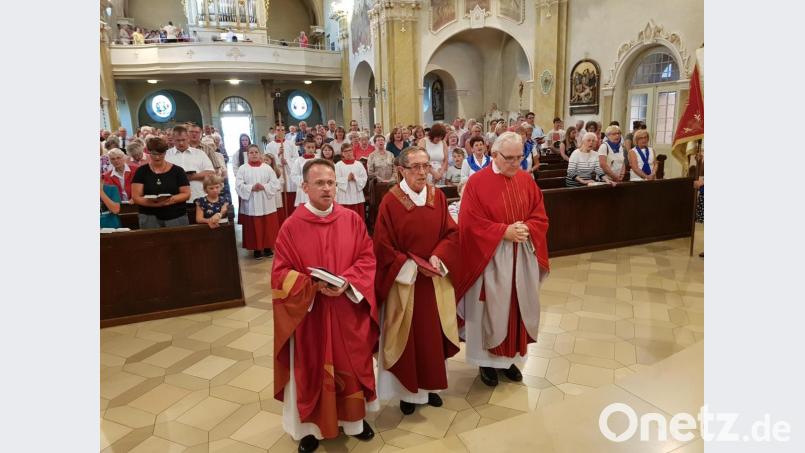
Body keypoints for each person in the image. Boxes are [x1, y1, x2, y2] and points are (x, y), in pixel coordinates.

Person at [271, 158, 378, 453]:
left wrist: (347, 282)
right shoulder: (291, 227)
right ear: (304, 187)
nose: (327, 189)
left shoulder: (352, 220)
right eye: (319, 183)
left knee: (351, 363)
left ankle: (354, 421)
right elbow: (280, 274)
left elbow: (367, 258)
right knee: (311, 368)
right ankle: (309, 428)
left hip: (346, 309)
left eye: (331, 182)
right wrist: (311, 285)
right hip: (310, 314)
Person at [455, 131, 549, 388]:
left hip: (522, 256)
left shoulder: (526, 180)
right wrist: (502, 232)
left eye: (520, 157)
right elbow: (468, 223)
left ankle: (511, 362)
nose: (516, 163)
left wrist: (528, 228)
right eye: (509, 158)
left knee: (518, 308)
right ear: (494, 155)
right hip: (490, 259)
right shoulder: (477, 183)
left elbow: (540, 215)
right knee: (490, 311)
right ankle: (486, 363)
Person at [372, 147, 461, 415]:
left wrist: (438, 258)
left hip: (433, 280)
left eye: (426, 166)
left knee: (432, 336)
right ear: (402, 170)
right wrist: (412, 266)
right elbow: (383, 246)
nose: (423, 172)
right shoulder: (391, 201)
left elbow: (451, 234)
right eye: (415, 167)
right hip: (406, 282)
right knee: (409, 338)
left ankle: (431, 387)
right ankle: (408, 393)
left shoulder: (438, 196)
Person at [131, 137, 192, 229]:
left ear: (165, 152)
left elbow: (186, 194)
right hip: (149, 216)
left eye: (161, 154)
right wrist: (155, 204)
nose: (157, 157)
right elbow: (136, 197)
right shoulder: (141, 171)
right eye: (154, 154)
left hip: (175, 215)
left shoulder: (177, 171)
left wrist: (169, 200)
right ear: (148, 152)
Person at [237, 144, 281, 259]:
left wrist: (264, 187)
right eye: (251, 152)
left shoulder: (267, 167)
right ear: (248, 155)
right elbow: (238, 185)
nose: (254, 154)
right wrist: (251, 187)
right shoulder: (243, 168)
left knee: (268, 225)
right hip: (251, 202)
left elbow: (275, 183)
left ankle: (267, 248)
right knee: (254, 225)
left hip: (266, 201)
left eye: (256, 152)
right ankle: (257, 249)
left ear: (260, 154)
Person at [166, 125, 215, 202]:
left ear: (188, 138)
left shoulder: (200, 153)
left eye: (183, 140)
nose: (181, 143)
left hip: (198, 197)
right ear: (173, 139)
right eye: (178, 140)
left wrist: (191, 177)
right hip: (174, 199)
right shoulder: (166, 155)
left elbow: (211, 173)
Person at [335, 144, 368, 219]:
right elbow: (335, 179)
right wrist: (347, 178)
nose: (348, 153)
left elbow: (364, 178)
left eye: (350, 150)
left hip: (357, 195)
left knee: (358, 217)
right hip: (344, 196)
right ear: (342, 153)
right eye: (345, 151)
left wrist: (355, 178)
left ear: (352, 151)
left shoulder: (358, 164)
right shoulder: (338, 165)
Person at [292, 139, 319, 206]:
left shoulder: (319, 159)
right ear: (304, 147)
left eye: (313, 147)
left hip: (316, 187)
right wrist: (305, 181)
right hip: (304, 188)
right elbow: (294, 175)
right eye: (308, 147)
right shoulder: (299, 160)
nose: (311, 149)